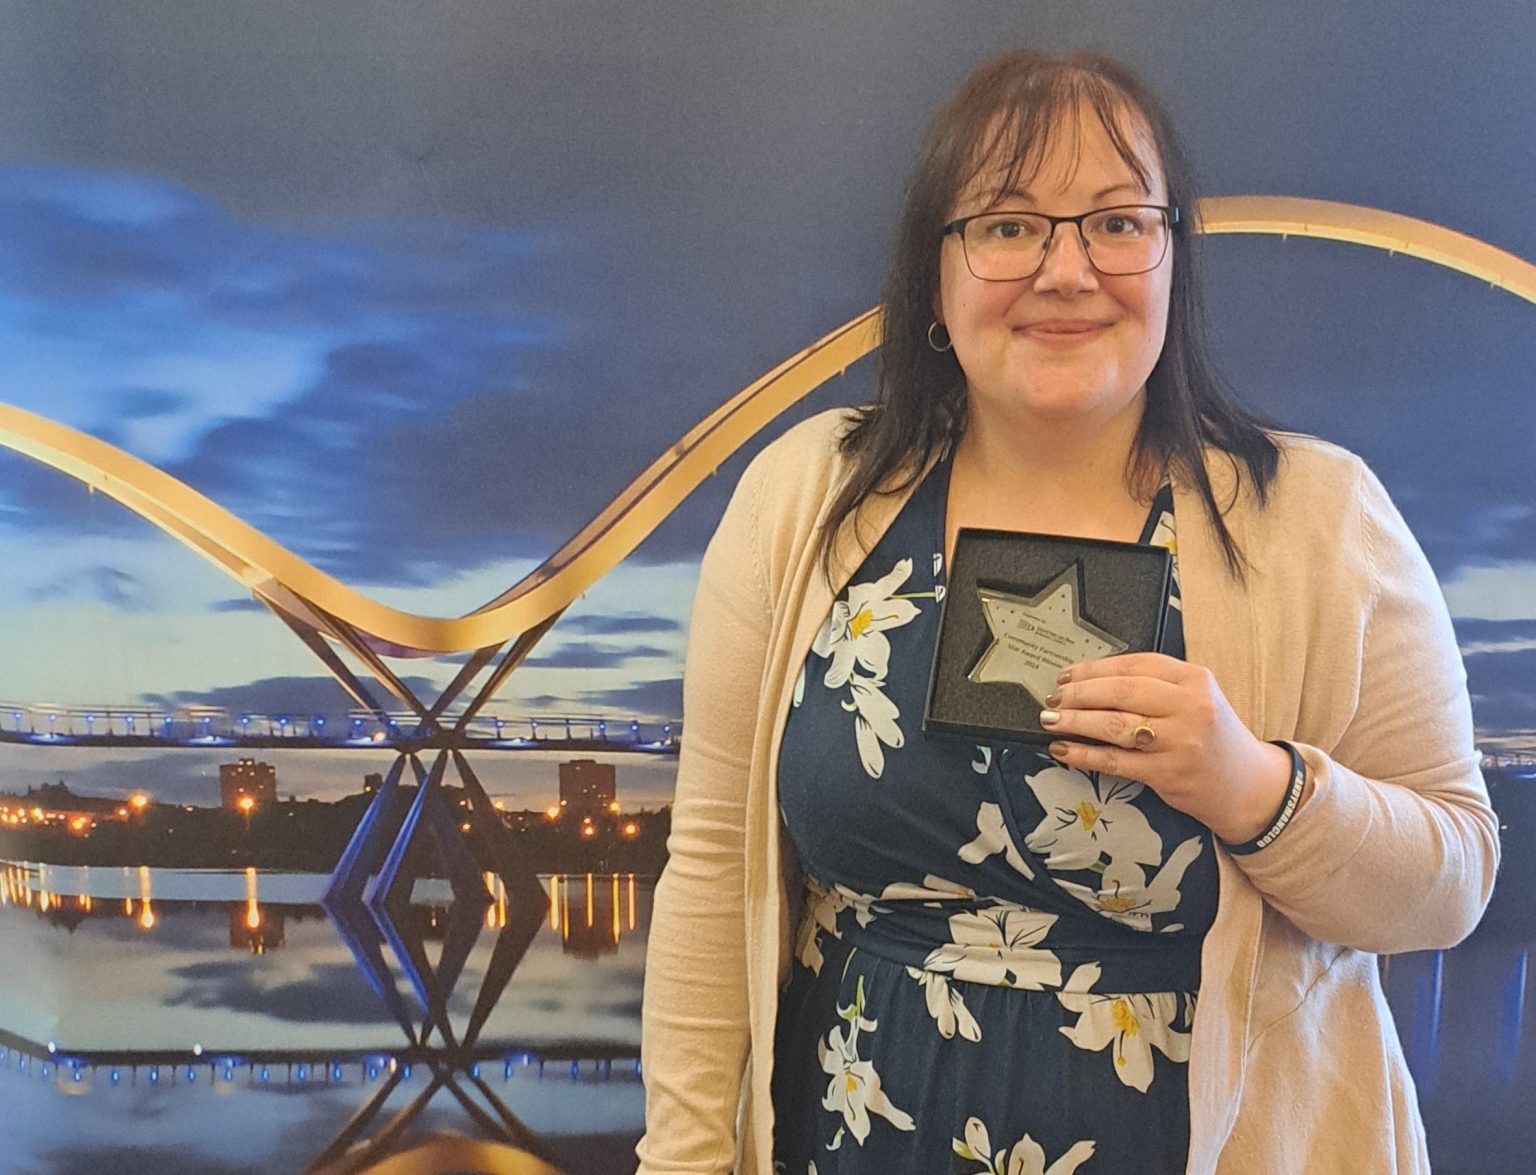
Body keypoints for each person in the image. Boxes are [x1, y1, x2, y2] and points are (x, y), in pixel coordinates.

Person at [637, 50, 1498, 1175]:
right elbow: (712, 871)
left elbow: (1452, 881)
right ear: (935, 275)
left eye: (1117, 223)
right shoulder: (806, 495)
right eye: (1008, 225)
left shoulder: (1319, 516)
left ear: (1174, 258)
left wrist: (1252, 785)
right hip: (851, 1134)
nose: (1066, 270)